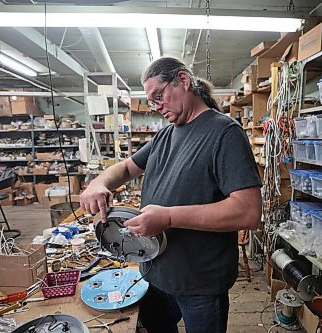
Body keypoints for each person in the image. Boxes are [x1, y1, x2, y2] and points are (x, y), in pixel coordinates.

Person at [80, 56, 262, 333]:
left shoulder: (225, 133)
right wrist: (98, 183)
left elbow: (247, 212)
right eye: (151, 101)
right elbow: (126, 168)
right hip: (155, 271)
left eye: (158, 96)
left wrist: (167, 217)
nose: (155, 107)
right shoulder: (166, 135)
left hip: (199, 280)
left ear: (183, 80)